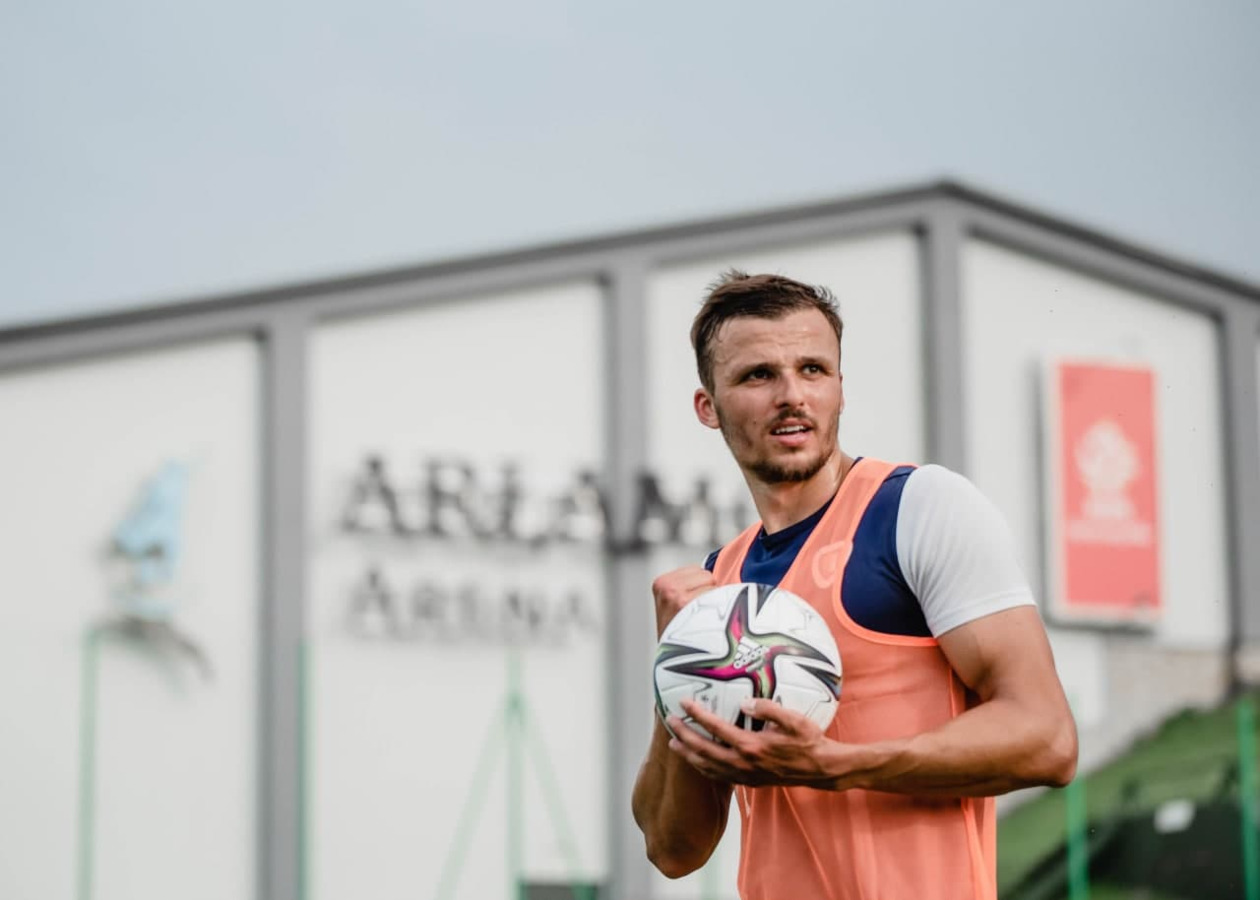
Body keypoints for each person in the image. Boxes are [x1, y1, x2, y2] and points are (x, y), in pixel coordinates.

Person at [630, 271, 1078, 900]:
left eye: (813, 370)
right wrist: (676, 666)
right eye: (758, 375)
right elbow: (674, 850)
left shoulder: (917, 509)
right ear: (709, 407)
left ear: (840, 388)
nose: (792, 396)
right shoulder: (720, 587)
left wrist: (836, 766)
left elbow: (1048, 739)